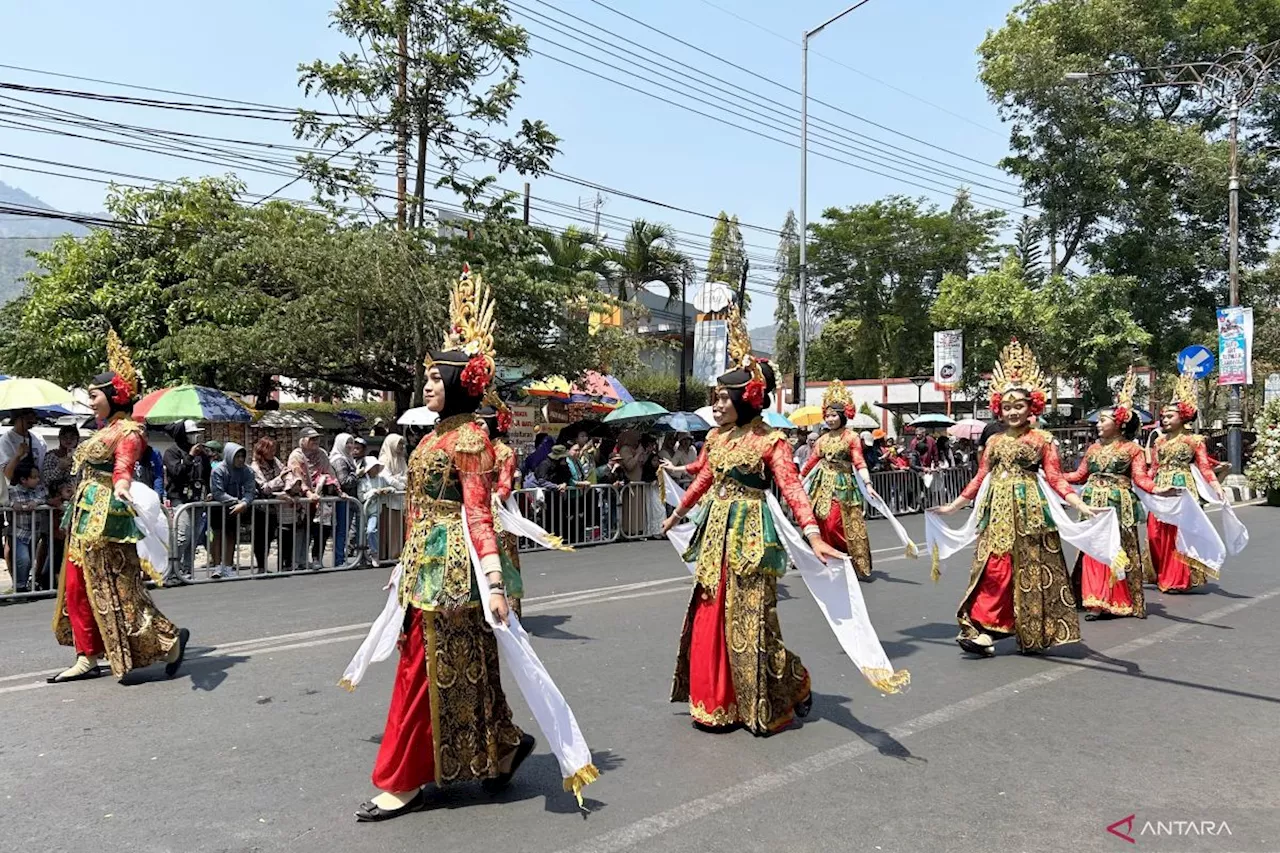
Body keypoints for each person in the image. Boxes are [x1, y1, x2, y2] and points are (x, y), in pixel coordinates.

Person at [355, 267, 539, 822]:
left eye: (436, 377)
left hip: (457, 571)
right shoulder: (434, 435)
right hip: (425, 566)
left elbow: (479, 514)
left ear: (461, 381)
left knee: (427, 668)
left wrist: (494, 582)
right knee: (447, 664)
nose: (428, 385)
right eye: (429, 377)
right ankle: (501, 747)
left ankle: (405, 779)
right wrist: (404, 562)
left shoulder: (470, 439)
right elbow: (418, 506)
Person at [660, 305, 896, 736]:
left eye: (722, 400)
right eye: (714, 399)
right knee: (712, 612)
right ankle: (717, 702)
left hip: (752, 535)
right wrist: (677, 514)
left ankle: (793, 683)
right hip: (715, 536)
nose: (715, 407)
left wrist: (813, 536)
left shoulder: (773, 441)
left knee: (752, 619)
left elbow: (793, 490)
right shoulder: (714, 439)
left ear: (745, 400)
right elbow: (705, 481)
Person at [935, 340, 1101, 657]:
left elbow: (1054, 478)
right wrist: (953, 506)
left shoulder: (1043, 439)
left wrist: (1080, 504)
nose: (1012, 411)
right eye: (1007, 406)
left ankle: (1029, 629)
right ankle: (984, 629)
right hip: (996, 511)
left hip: (1030, 513)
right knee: (993, 568)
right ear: (999, 407)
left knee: (1030, 571)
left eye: (1019, 406)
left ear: (1032, 407)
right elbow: (981, 476)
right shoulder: (994, 440)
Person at [48, 331, 189, 684]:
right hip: (83, 517)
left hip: (109, 519)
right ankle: (87, 655)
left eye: (94, 396)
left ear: (113, 396)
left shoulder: (128, 431)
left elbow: (124, 466)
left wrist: (123, 485)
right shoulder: (103, 429)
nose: (91, 402)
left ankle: (169, 640)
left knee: (121, 591)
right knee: (77, 589)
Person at [1064, 371, 1170, 620]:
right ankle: (1095, 599)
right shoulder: (1093, 448)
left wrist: (1157, 489)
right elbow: (1079, 475)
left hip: (1118, 504)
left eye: (1104, 420)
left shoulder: (1132, 449)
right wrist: (1052, 476)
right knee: (1093, 549)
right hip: (1092, 503)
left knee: (1118, 549)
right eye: (1099, 421)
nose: (1099, 424)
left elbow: (1140, 478)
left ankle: (1118, 599)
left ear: (1119, 423)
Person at [1147, 371, 1225, 593]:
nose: (1165, 419)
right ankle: (1160, 572)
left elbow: (1204, 466)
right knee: (1155, 533)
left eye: (1170, 416)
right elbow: (1153, 467)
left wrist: (1216, 486)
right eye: (1163, 416)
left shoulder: (1194, 441)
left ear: (1183, 418)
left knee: (1177, 535)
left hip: (1183, 489)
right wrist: (1146, 487)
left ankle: (1176, 579)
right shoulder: (1159, 441)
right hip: (1161, 487)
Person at [800, 383, 881, 580]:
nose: (829, 419)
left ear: (842, 416)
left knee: (836, 524)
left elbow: (859, 461)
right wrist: (798, 480)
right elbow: (811, 462)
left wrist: (868, 484)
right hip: (822, 486)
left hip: (843, 485)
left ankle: (849, 559)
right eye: (827, 416)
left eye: (833, 415)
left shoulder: (851, 437)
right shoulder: (822, 439)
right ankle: (827, 559)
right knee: (820, 521)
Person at [162, 420, 211, 584]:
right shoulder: (172, 452)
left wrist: (208, 491)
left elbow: (206, 475)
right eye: (191, 434)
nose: (195, 437)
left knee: (193, 537)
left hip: (197, 499)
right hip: (180, 499)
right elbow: (177, 473)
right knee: (182, 536)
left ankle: (186, 570)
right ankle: (171, 570)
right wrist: (189, 456)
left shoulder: (202, 454)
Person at [287, 428, 334, 570]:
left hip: (320, 497)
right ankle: (298, 560)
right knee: (301, 529)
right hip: (302, 499)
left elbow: (329, 472)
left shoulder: (322, 454)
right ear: (303, 440)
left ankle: (315, 558)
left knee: (320, 529)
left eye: (317, 439)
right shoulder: (296, 455)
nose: (315, 442)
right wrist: (308, 493)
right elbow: (297, 476)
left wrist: (334, 487)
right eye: (311, 439)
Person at [209, 442, 255, 578]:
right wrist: (237, 501)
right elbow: (217, 492)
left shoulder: (248, 471)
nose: (241, 459)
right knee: (217, 535)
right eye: (237, 456)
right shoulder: (218, 470)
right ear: (229, 456)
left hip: (237, 508)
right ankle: (217, 567)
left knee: (231, 535)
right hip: (219, 506)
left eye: (242, 456)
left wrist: (244, 503)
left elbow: (250, 490)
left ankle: (228, 567)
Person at [250, 437, 287, 574]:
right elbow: (264, 487)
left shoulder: (276, 462)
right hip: (261, 507)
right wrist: (279, 479)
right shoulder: (255, 467)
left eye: (274, 449)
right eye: (270, 449)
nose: (273, 452)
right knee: (260, 537)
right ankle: (260, 566)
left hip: (275, 506)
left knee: (270, 536)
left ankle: (267, 564)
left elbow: (285, 474)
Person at [7, 460, 45, 593]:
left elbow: (44, 497)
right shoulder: (13, 491)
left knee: (29, 561)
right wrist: (12, 504)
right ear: (23, 479)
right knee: (23, 559)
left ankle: (24, 585)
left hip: (35, 533)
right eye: (34, 477)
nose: (37, 479)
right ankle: (20, 587)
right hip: (20, 533)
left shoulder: (39, 489)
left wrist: (36, 502)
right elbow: (6, 500)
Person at [375, 433, 409, 562]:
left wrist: (400, 479)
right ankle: (389, 554)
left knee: (399, 527)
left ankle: (398, 552)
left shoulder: (401, 459)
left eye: (402, 444)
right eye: (399, 443)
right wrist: (400, 483)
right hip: (389, 500)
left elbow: (407, 476)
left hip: (400, 500)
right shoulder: (385, 459)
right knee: (390, 527)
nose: (401, 446)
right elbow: (387, 477)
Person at [330, 433, 360, 565]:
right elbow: (344, 481)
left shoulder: (349, 458)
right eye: (346, 443)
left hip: (350, 500)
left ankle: (341, 558)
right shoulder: (339, 460)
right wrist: (357, 475)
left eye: (351, 442)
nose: (349, 446)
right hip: (343, 500)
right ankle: (339, 559)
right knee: (341, 530)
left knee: (345, 529)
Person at [41, 424, 80, 493]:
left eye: (72, 437)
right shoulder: (51, 456)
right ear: (59, 439)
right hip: (55, 495)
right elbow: (46, 479)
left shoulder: (82, 457)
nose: (68, 440)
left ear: (77, 439)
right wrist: (60, 468)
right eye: (65, 437)